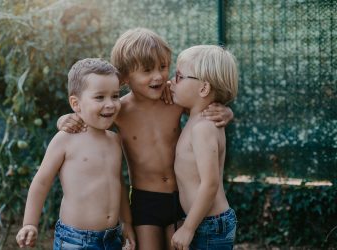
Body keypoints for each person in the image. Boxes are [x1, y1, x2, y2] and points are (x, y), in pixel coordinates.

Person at [57, 28, 234, 250]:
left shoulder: (175, 98)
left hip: (180, 198)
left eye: (163, 67)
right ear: (124, 77)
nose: (159, 76)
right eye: (148, 70)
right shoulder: (119, 109)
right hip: (144, 199)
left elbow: (203, 107)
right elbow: (89, 115)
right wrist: (65, 119)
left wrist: (226, 112)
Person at [16, 58, 135, 250]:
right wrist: (30, 223)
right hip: (76, 240)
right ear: (76, 103)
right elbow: (41, 181)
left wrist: (127, 223)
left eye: (115, 96)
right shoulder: (65, 139)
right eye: (99, 97)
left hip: (112, 238)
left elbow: (118, 184)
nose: (110, 104)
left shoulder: (114, 140)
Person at [170, 45, 238, 250]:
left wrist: (188, 228)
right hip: (204, 222)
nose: (171, 82)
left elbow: (210, 183)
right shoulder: (197, 118)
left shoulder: (203, 128)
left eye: (179, 76)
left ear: (204, 88)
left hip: (209, 225)